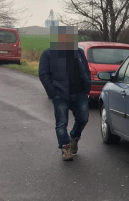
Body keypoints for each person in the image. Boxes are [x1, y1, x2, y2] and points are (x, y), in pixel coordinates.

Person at [38, 26, 91, 161]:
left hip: (80, 93)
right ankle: (65, 148)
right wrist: (53, 92)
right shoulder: (49, 54)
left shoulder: (78, 52)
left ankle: (74, 137)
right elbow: (43, 75)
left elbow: (86, 70)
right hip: (61, 94)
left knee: (83, 119)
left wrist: (87, 86)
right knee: (61, 123)